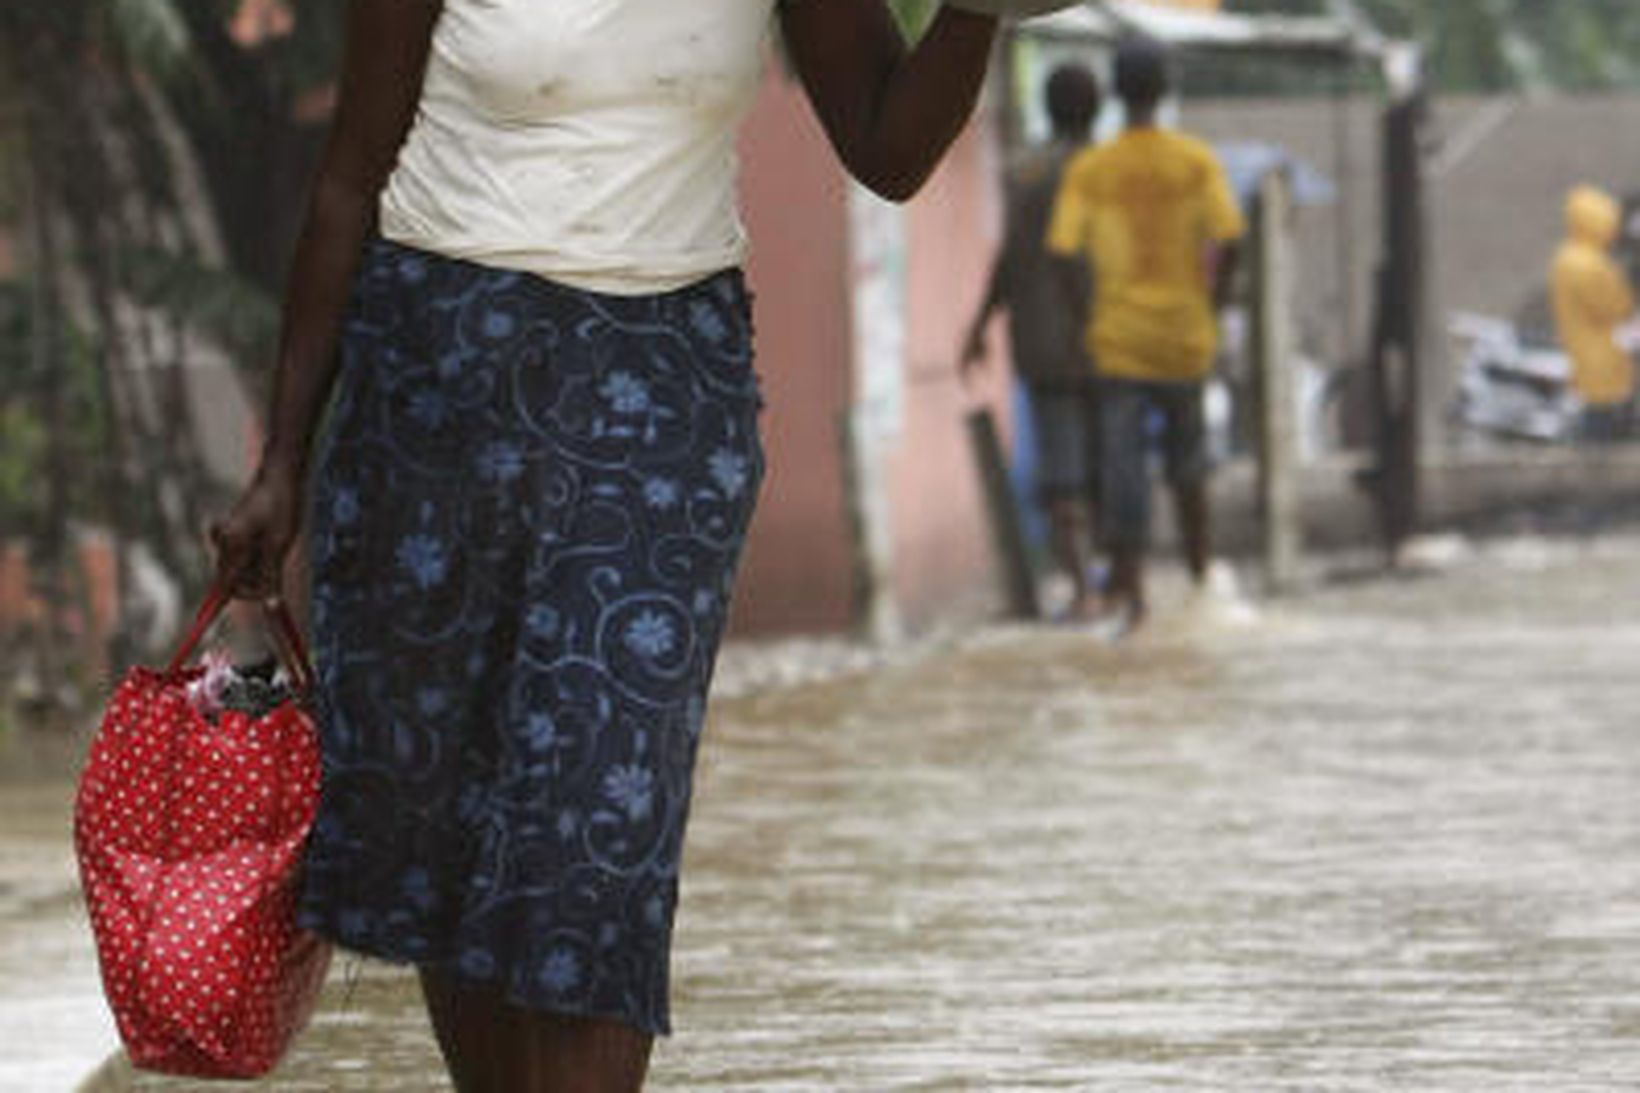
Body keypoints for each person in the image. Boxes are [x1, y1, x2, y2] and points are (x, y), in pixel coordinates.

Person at [206, 1, 1035, 1088]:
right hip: (437, 383)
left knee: (597, 832)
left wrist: (979, 12)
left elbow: (886, 148)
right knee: (451, 821)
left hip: (659, 392)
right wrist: (282, 467)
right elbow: (351, 176)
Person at [1046, 38, 1245, 630]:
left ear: (1116, 94)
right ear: (1163, 92)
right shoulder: (1195, 160)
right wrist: (1210, 302)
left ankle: (1133, 603)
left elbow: (1060, 252)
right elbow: (1230, 237)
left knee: (1122, 471)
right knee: (1190, 470)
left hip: (1119, 342)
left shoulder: (1092, 168)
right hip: (1184, 338)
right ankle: (1201, 583)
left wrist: (1087, 317)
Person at [963, 64, 1104, 621]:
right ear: (1097, 105)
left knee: (1065, 473)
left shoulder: (1023, 172)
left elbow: (1010, 259)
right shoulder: (1114, 168)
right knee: (1106, 468)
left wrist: (977, 325)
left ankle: (1083, 591)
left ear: (1048, 106)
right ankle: (1117, 585)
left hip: (1045, 343)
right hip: (1114, 342)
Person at [1550, 184, 1638, 446]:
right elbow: (1617, 306)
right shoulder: (1591, 264)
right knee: (1602, 422)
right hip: (1603, 354)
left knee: (1595, 412)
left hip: (1584, 347)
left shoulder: (1567, 256)